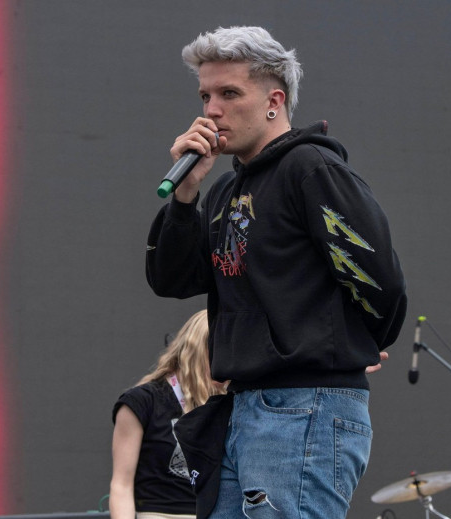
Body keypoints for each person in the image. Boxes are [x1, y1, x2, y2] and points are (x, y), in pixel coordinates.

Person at [146, 26, 407, 519]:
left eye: (228, 93)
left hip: (306, 405)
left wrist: (348, 347)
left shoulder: (310, 169)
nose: (211, 110)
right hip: (245, 406)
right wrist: (185, 197)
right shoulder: (224, 192)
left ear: (275, 100)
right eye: (205, 95)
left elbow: (379, 277)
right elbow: (172, 280)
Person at [109, 309, 224, 519]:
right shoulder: (142, 401)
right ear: (200, 350)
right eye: (223, 352)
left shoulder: (230, 403)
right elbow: (121, 486)